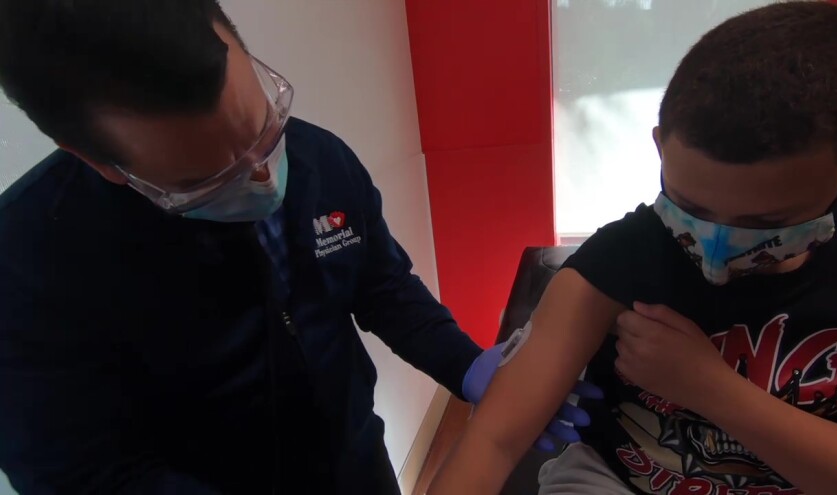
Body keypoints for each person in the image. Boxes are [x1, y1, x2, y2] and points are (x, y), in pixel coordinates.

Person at [0, 2, 597, 494]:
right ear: (98, 161)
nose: (262, 176)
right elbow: (80, 475)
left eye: (263, 128)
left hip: (355, 461)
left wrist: (465, 365)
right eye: (206, 179)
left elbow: (381, 285)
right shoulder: (27, 266)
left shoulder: (319, 158)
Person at [429, 2, 837, 495]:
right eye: (688, 204)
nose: (716, 251)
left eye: (765, 223)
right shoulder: (621, 258)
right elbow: (493, 441)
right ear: (661, 146)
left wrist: (711, 390)